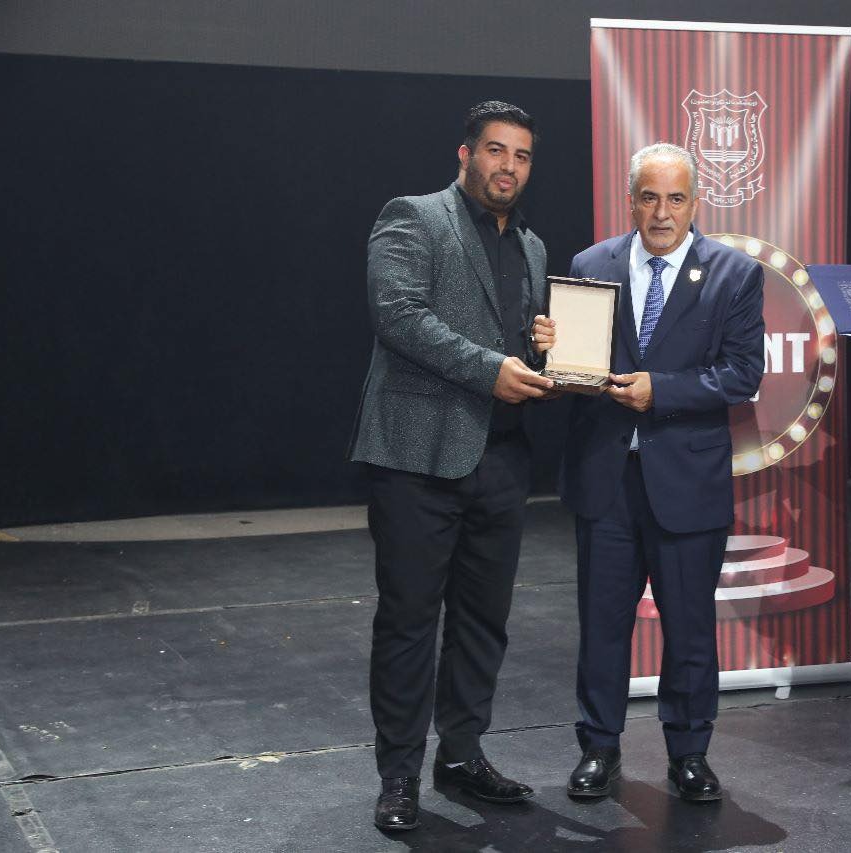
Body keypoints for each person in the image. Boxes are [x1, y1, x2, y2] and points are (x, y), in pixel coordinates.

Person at [532, 142, 764, 802]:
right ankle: (598, 748)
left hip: (687, 482)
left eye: (676, 198)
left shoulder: (735, 273)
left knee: (689, 628)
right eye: (650, 197)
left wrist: (659, 390)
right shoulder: (590, 265)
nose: (662, 212)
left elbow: (742, 374)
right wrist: (549, 351)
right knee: (602, 625)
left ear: (696, 202)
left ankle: (689, 753)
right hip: (605, 480)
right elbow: (575, 367)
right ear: (630, 200)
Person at [347, 101, 554, 832]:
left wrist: (541, 349)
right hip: (417, 458)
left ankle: (461, 755)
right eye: (496, 151)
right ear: (466, 154)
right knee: (409, 622)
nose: (508, 167)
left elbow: (517, 350)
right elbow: (399, 316)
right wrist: (492, 368)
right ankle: (399, 774)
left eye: (521, 156)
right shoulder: (412, 216)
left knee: (483, 623)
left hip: (502, 458)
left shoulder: (532, 246)